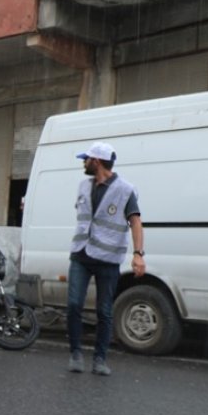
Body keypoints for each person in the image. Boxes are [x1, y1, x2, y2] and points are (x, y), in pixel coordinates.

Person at [65, 141, 144, 376]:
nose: (83, 162)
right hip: (80, 254)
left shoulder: (125, 189)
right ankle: (76, 353)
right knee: (73, 304)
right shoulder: (82, 185)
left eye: (86, 159)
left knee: (104, 310)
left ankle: (100, 358)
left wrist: (138, 254)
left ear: (96, 161)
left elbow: (136, 222)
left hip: (108, 258)